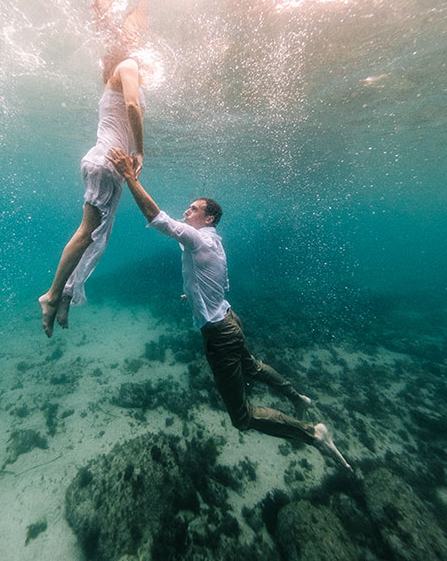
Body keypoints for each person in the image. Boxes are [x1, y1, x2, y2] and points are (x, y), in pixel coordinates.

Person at [105, 147, 352, 469]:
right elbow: (218, 283)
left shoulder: (200, 240)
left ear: (208, 218)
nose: (185, 211)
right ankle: (296, 397)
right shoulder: (213, 241)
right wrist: (194, 298)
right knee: (251, 366)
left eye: (192, 209)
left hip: (220, 333)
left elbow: (157, 218)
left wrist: (128, 176)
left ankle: (313, 433)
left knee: (242, 416)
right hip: (228, 319)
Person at [38, 50, 145, 337]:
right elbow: (133, 106)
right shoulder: (129, 64)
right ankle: (51, 295)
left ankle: (65, 296)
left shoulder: (118, 77)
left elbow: (128, 109)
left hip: (111, 166)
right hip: (106, 164)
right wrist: (141, 152)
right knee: (88, 233)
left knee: (97, 238)